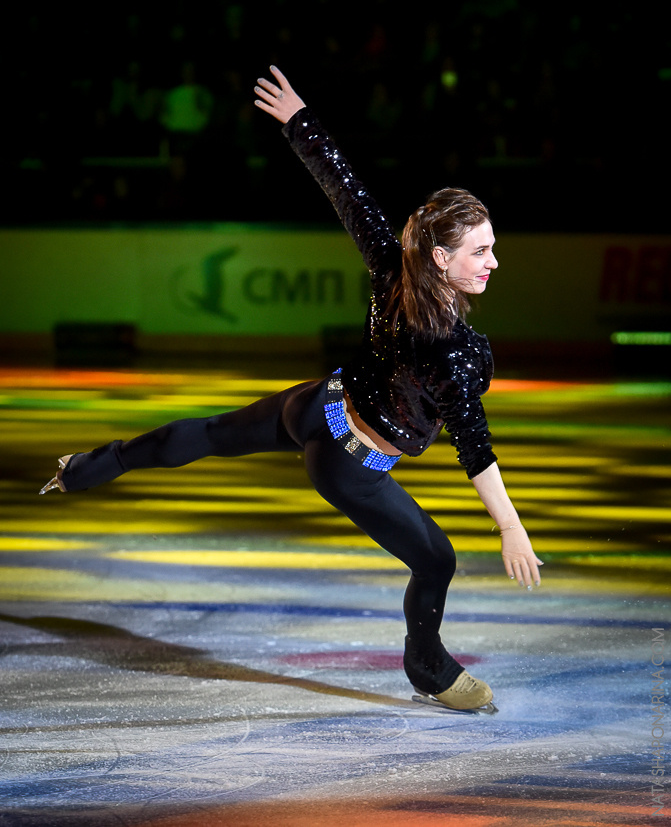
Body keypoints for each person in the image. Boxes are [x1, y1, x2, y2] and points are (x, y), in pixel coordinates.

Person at [40, 66, 543, 713]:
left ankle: (87, 468)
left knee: (212, 434)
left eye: (492, 246)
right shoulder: (452, 350)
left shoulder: (392, 269)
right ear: (441, 259)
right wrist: (510, 526)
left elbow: (348, 193)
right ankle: (427, 667)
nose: (494, 261)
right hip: (348, 464)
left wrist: (300, 122)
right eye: (480, 251)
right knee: (436, 561)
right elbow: (473, 446)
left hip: (316, 407)